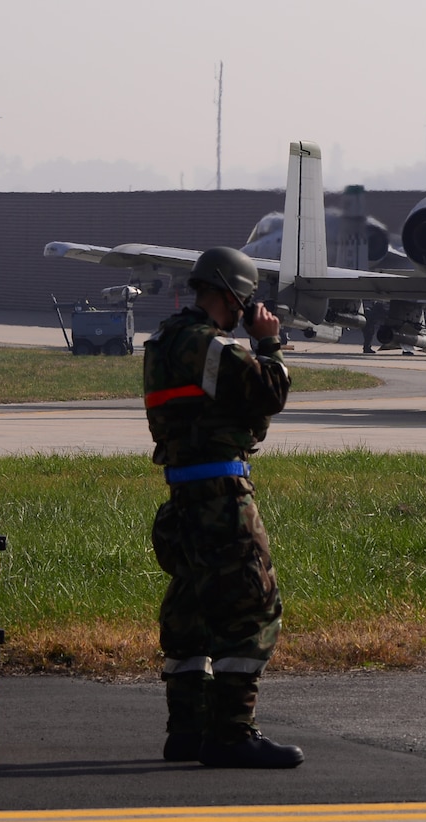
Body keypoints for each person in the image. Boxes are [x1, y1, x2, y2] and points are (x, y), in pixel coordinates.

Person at [144, 246, 303, 769]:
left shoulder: (163, 343)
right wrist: (269, 343)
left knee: (190, 612)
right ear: (228, 293)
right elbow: (269, 392)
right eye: (244, 300)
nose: (244, 311)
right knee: (252, 607)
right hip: (220, 498)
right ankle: (232, 733)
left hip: (182, 500)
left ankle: (185, 730)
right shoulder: (206, 345)